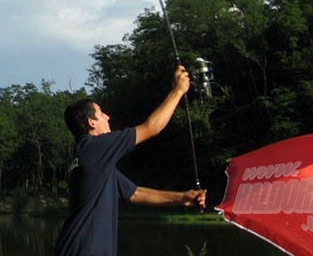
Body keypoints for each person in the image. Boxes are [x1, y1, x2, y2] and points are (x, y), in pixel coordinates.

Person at [54, 65, 207, 256]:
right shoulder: (95, 148)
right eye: (101, 113)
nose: (107, 116)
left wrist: (182, 198)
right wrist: (178, 90)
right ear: (91, 123)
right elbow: (152, 128)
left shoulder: (93, 159)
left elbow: (135, 194)